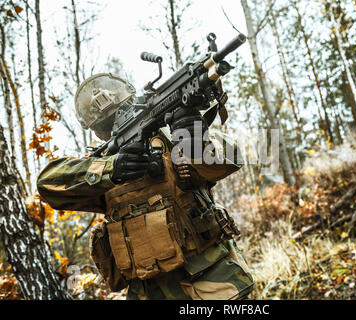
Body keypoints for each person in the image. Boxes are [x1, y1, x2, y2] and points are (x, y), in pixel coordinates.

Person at [37, 73, 254, 300]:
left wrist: (195, 139)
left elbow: (230, 157)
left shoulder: (171, 136)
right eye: (107, 124)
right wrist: (112, 169)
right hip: (147, 291)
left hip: (210, 284)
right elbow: (46, 184)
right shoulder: (101, 166)